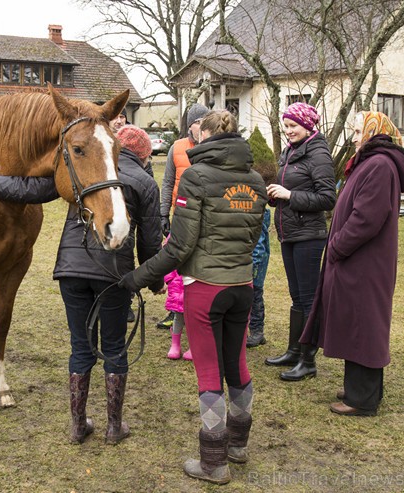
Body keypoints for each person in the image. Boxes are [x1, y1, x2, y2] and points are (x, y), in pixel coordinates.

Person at [0, 124, 162, 444]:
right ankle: (114, 428)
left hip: (71, 270)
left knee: (80, 346)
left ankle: (77, 425)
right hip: (114, 274)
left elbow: (32, 189)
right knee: (113, 347)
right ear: (141, 156)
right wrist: (153, 281)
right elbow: (151, 243)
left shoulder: (82, 168)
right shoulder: (144, 182)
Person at [119, 110, 267, 485]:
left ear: (205, 137)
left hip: (205, 287)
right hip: (242, 285)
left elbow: (180, 246)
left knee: (209, 372)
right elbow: (253, 239)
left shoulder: (196, 177)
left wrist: (138, 277)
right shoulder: (255, 180)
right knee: (237, 364)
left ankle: (214, 462)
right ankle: (237, 445)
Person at [301, 112, 404, 416]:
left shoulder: (378, 165)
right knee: (358, 323)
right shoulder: (374, 162)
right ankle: (362, 389)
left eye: (356, 131)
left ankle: (361, 399)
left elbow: (366, 219)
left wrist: (337, 246)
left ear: (374, 132)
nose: (352, 137)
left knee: (364, 324)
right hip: (362, 261)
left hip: (363, 262)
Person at [264, 102, 336, 381]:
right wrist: (275, 195)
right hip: (289, 233)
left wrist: (290, 195)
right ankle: (294, 350)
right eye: (286, 127)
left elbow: (327, 198)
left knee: (307, 299)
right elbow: (289, 188)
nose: (288, 131)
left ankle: (308, 360)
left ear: (308, 125)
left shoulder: (318, 153)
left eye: (293, 126)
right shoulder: (290, 151)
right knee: (296, 297)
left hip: (309, 236)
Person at [155, 103, 209, 330]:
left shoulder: (213, 147)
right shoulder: (177, 148)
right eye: (199, 123)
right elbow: (168, 182)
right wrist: (163, 213)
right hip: (180, 215)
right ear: (191, 125)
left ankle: (199, 311)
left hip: (205, 217)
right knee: (175, 264)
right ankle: (174, 310)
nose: (203, 127)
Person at [246, 161, 276, 348]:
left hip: (255, 263)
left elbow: (259, 244)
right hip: (250, 261)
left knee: (255, 294)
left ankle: (257, 331)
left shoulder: (260, 213)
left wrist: (253, 265)